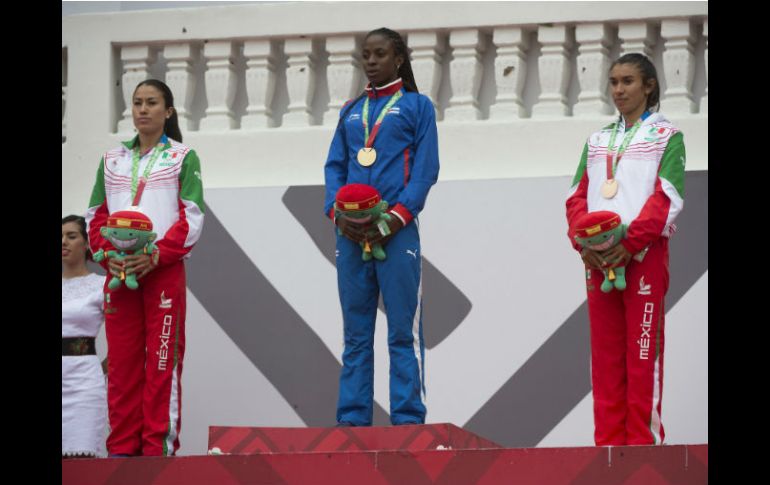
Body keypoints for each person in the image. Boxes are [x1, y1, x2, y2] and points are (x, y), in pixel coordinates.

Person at [565, 53, 686, 446]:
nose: (618, 90)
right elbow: (576, 197)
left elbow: (666, 198)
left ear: (649, 86)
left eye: (628, 81)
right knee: (605, 359)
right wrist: (584, 244)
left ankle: (643, 447)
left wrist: (629, 243)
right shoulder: (597, 140)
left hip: (643, 257)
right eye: (614, 82)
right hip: (597, 260)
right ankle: (609, 449)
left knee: (642, 354)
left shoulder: (668, 136)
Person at [324, 27, 440, 426]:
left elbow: (426, 171)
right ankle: (352, 421)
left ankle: (408, 421)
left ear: (399, 59)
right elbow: (335, 166)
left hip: (398, 230)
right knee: (355, 336)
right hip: (351, 234)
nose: (371, 62)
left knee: (402, 333)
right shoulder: (350, 111)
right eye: (366, 55)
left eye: (379, 54)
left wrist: (396, 217)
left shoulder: (417, 106)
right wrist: (337, 213)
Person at [85, 79, 205, 456]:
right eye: (137, 103)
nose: (142, 109)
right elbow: (95, 216)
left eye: (152, 103)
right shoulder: (111, 160)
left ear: (168, 111)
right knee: (121, 365)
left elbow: (192, 217)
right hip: (120, 272)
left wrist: (155, 255)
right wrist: (108, 255)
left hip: (162, 273)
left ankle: (157, 450)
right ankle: (121, 450)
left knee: (162, 362)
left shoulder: (183, 157)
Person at [62, 215, 108, 458]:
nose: (64, 242)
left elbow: (125, 337)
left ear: (87, 243)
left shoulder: (102, 285)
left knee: (79, 464)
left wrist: (99, 367)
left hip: (83, 385)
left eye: (71, 236)